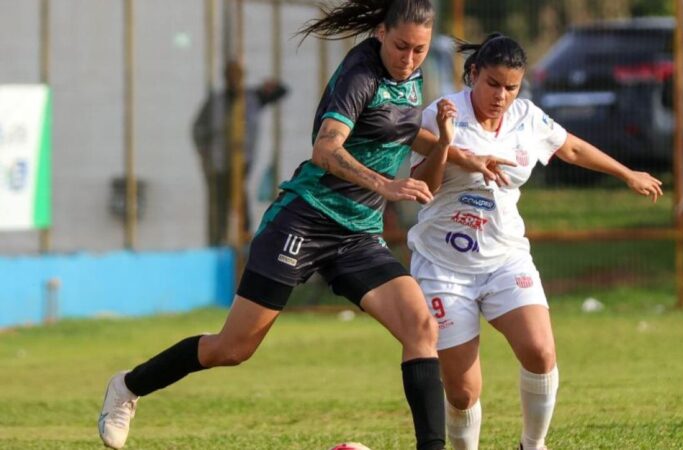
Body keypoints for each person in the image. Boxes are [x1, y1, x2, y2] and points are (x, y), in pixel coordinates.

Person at [98, 2, 447, 449]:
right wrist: (387, 185)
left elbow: (402, 126)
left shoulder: (409, 76)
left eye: (419, 50)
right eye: (401, 46)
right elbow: (326, 149)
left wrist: (464, 154)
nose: (410, 59)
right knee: (232, 349)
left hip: (357, 234)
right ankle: (127, 387)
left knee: (421, 329)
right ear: (381, 32)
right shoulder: (360, 75)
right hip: (304, 219)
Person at [407, 34, 663, 450]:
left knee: (541, 351)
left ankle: (533, 444)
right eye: (493, 84)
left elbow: (571, 149)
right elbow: (422, 188)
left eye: (511, 87)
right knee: (463, 392)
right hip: (443, 266)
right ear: (473, 74)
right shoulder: (443, 113)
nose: (501, 96)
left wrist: (627, 173)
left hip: (505, 258)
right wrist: (446, 143)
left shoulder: (526, 116)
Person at [192, 60, 288, 245]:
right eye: (231, 75)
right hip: (218, 163)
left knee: (238, 196)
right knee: (220, 201)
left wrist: (273, 85)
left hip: (242, 160)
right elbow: (198, 129)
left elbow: (281, 92)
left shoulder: (252, 98)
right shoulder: (216, 101)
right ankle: (218, 239)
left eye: (237, 75)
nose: (234, 79)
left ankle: (243, 235)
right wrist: (204, 153)